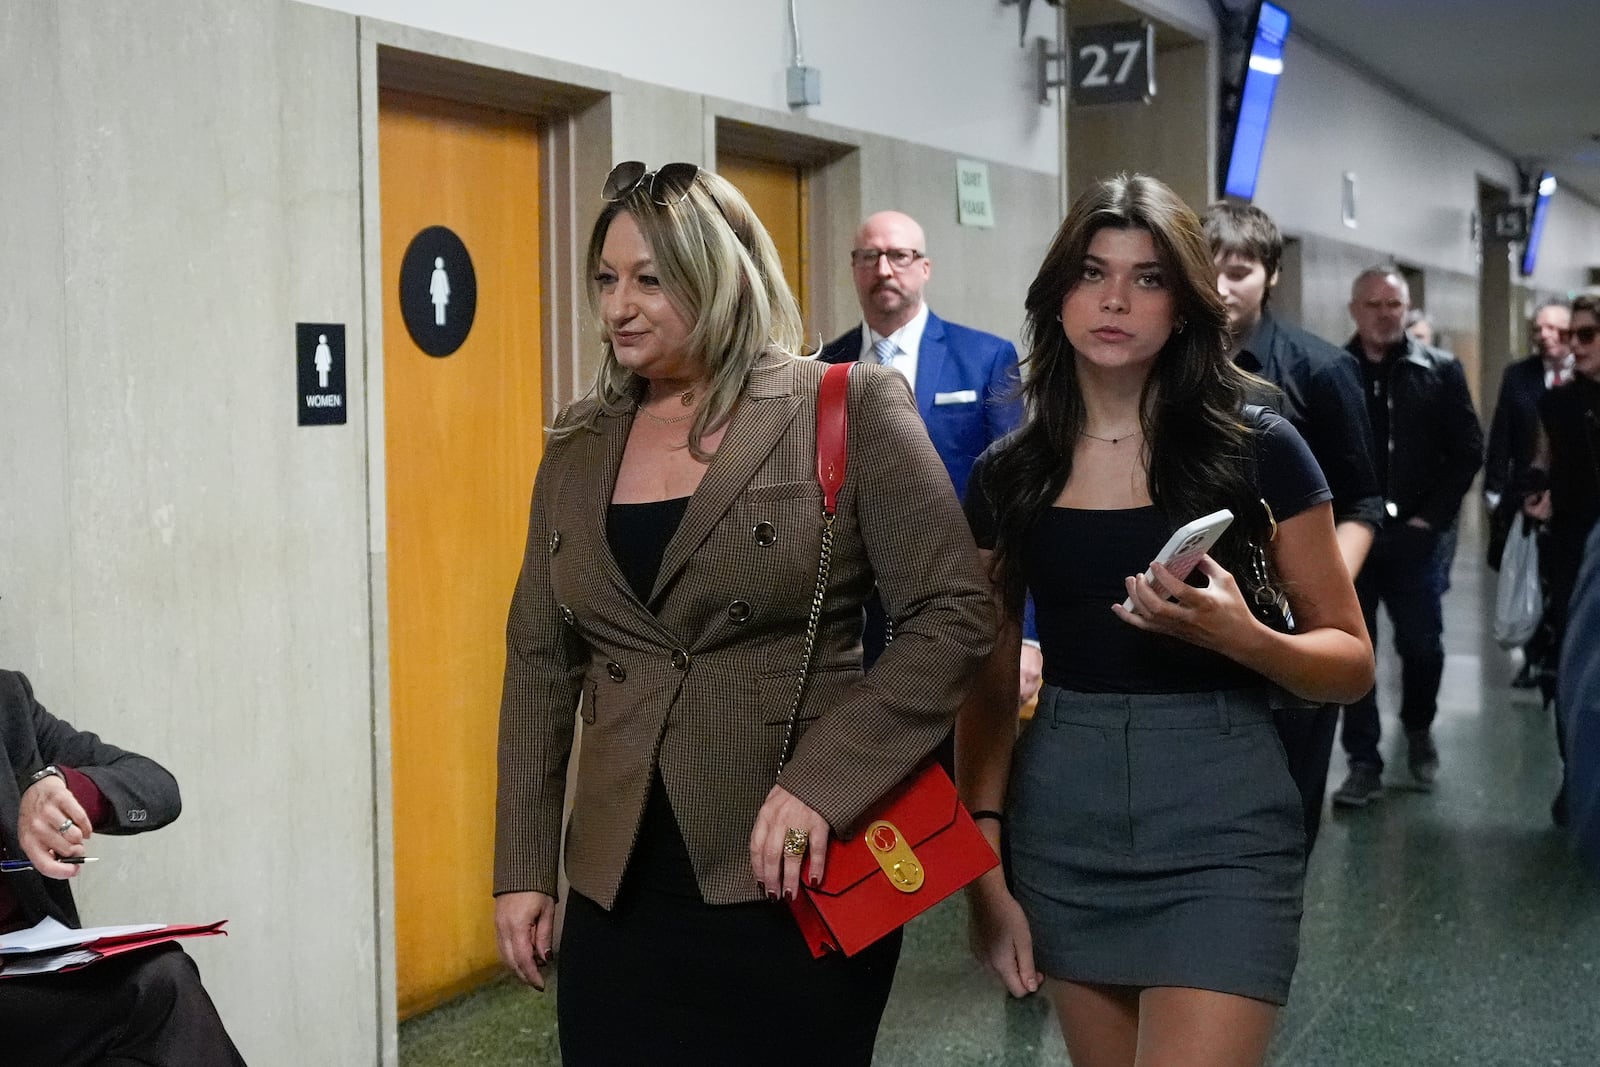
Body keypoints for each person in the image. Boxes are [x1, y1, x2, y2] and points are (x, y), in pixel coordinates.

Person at [491, 162, 992, 1065]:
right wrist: (523, 865)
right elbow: (538, 658)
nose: (620, 306)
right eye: (607, 279)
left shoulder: (843, 405)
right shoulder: (577, 442)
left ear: (719, 279)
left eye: (652, 279)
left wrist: (825, 781)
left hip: (792, 867)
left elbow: (954, 614)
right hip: (618, 882)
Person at [957, 174, 1372, 1067]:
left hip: (1223, 810)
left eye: (1148, 278)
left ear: (1185, 306)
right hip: (1065, 808)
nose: (1114, 298)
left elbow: (1349, 660)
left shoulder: (1256, 446)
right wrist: (982, 869)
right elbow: (986, 685)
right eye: (1092, 272)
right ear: (1057, 294)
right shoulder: (1010, 472)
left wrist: (1244, 638)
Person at [1204, 200, 1381, 852]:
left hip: (1294, 621)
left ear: (1270, 276)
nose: (1222, 285)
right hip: (1204, 615)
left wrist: (1313, 593)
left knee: (1287, 805)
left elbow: (1363, 500)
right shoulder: (1165, 363)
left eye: (1240, 270)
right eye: (1208, 268)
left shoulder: (1323, 368)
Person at [819, 211, 1038, 704]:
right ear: (853, 268)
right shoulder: (822, 370)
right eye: (869, 257)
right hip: (856, 623)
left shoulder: (984, 357)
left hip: (965, 600)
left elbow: (1018, 501)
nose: (883, 270)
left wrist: (1026, 634)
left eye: (899, 256)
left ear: (925, 267)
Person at [0, 669, 246, 1066]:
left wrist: (61, 787)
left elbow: (157, 788)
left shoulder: (7, 701)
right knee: (161, 992)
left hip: (32, 986)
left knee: (163, 986)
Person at [1332, 266, 1483, 808]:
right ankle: (1363, 762)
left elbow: (1468, 451)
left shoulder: (1438, 371)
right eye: (1372, 304)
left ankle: (1418, 726)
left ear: (1407, 308)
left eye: (1393, 304)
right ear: (1354, 310)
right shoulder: (1334, 371)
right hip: (1352, 535)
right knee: (1356, 651)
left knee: (1422, 647)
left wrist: (1430, 521)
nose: (1383, 313)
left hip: (1414, 537)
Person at [1523, 294, 1600, 826]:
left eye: (1587, 335)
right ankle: (1577, 779)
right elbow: (1542, 460)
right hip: (1573, 549)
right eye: (1571, 335)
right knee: (1575, 669)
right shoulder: (1557, 402)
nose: (1574, 345)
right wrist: (1534, 490)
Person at [1486, 299, 1573, 687]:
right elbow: (1501, 435)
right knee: (1531, 575)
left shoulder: (1585, 378)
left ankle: (1562, 656)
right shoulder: (1519, 376)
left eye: (1555, 329)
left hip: (1574, 500)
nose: (1545, 336)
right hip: (1526, 497)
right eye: (1539, 329)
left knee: (1566, 581)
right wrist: (1494, 491)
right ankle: (1536, 656)